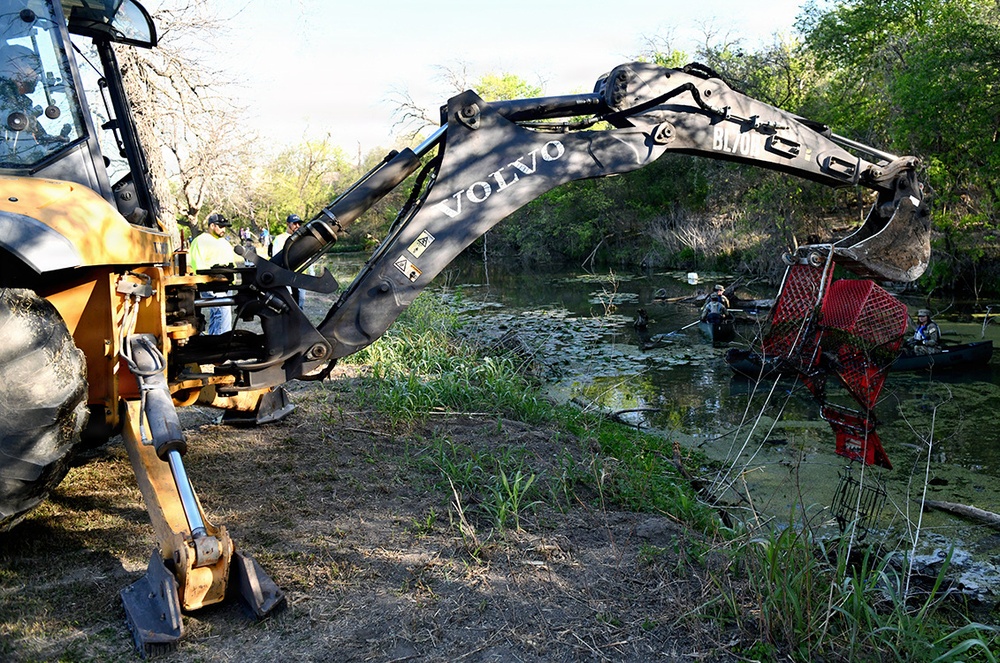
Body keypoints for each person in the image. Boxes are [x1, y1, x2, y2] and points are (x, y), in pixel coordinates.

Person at [188, 213, 237, 335]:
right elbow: (197, 263)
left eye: (225, 227)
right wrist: (208, 280)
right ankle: (220, 342)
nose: (223, 229)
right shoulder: (200, 241)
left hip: (226, 284)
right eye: (220, 226)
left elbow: (231, 262)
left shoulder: (225, 243)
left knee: (221, 314)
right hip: (211, 284)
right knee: (221, 312)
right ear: (212, 225)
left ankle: (217, 339)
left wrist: (233, 280)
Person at [271, 213, 306, 308]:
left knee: (301, 300)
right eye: (294, 223)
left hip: (301, 275)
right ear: (288, 224)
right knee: (289, 301)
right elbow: (276, 258)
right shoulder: (279, 239)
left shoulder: (303, 239)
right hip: (286, 275)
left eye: (299, 223)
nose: (297, 226)